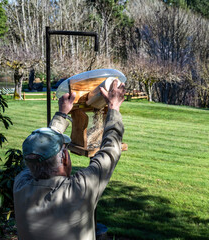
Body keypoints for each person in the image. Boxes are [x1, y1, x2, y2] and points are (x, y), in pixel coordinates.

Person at [13, 80, 126, 240]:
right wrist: (113, 109)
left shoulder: (20, 185)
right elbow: (110, 151)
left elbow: (37, 152)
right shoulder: (79, 190)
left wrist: (62, 114)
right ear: (65, 158)